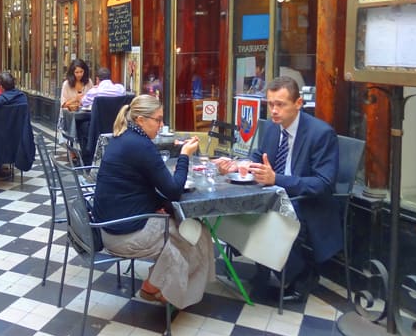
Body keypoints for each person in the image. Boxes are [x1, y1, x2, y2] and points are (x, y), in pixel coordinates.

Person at [215, 76, 339, 302]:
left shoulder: (321, 134)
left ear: (299, 103)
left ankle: (301, 276)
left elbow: (324, 183)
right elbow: (258, 156)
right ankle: (264, 264)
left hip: (309, 202)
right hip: (274, 194)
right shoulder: (273, 128)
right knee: (236, 211)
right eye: (270, 104)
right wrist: (238, 165)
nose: (273, 111)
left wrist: (277, 179)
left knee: (271, 218)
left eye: (280, 104)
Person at [92, 94, 214, 309]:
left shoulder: (125, 138)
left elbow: (133, 188)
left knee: (187, 227)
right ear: (140, 120)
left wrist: (157, 204)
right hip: (124, 233)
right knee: (194, 231)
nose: (161, 125)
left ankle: (155, 286)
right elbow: (174, 191)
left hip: (109, 226)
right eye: (157, 120)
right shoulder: (140, 145)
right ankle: (169, 292)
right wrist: (184, 155)